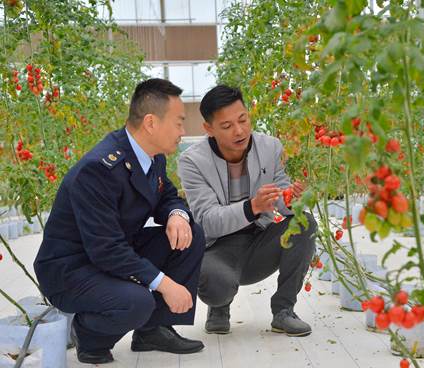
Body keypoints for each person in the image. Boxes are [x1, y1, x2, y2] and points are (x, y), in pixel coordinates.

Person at [34, 78, 205, 364]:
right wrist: (165, 284)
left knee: (190, 236)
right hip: (72, 268)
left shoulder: (152, 157)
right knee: (138, 301)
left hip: (111, 251)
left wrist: (177, 215)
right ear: (151, 123)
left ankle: (152, 331)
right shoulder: (99, 169)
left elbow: (168, 197)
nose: (183, 131)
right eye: (178, 123)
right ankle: (89, 337)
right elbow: (106, 249)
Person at [178, 85, 317, 337]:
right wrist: (252, 206)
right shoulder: (192, 162)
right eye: (227, 125)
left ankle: (284, 311)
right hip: (217, 248)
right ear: (208, 129)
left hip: (260, 240)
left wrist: (293, 198)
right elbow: (207, 221)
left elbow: (283, 205)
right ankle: (219, 307)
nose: (239, 130)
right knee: (216, 285)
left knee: (303, 222)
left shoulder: (270, 147)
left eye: (243, 120)